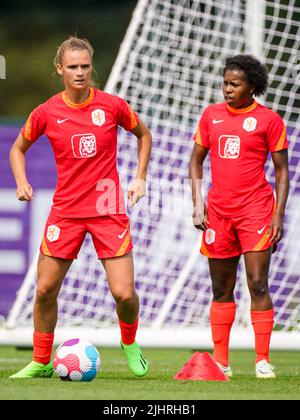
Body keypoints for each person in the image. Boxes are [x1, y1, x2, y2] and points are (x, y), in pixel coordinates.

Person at [9, 36, 152, 379]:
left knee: (125, 294)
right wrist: (21, 181)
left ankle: (130, 343)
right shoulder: (46, 112)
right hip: (67, 212)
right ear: (60, 69)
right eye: (72, 67)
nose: (79, 72)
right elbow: (17, 149)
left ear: (91, 67)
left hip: (107, 209)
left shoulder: (113, 106)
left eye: (85, 66)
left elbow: (143, 135)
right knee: (44, 290)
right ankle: (42, 361)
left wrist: (140, 177)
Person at [189, 54, 289, 379]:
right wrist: (198, 202)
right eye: (225, 83)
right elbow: (196, 161)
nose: (227, 89)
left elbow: (282, 172)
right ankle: (221, 362)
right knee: (221, 287)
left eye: (235, 84)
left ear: (252, 87)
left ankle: (262, 360)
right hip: (218, 213)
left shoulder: (269, 121)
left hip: (256, 210)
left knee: (258, 283)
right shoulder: (211, 116)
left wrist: (277, 215)